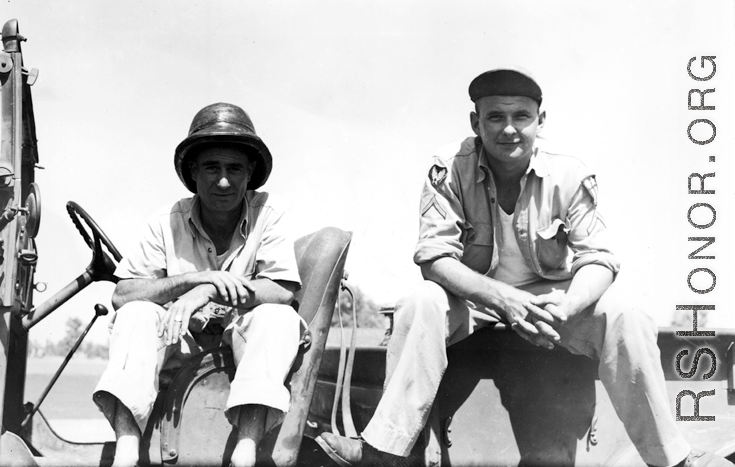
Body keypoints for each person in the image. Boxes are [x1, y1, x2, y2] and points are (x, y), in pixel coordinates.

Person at [316, 68, 733, 467]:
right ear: (475, 121)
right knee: (419, 301)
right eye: (495, 116)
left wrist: (569, 307)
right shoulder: (449, 168)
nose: (509, 129)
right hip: (473, 298)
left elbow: (598, 259)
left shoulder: (569, 172)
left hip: (550, 300)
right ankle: (387, 452)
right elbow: (434, 257)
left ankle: (671, 458)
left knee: (627, 313)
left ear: (541, 120)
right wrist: (502, 298)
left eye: (521, 116)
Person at [93, 103, 303, 467]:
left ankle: (246, 450)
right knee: (136, 314)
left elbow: (283, 289)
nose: (223, 181)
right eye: (211, 167)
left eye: (235, 168)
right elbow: (122, 293)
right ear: (193, 171)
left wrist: (209, 291)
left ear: (250, 171)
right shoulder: (165, 221)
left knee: (278, 317)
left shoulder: (270, 212)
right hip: (179, 339)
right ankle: (126, 448)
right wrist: (195, 279)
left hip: (241, 336)